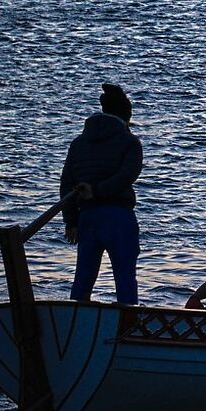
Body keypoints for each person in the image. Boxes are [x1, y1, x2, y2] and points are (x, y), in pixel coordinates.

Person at [60, 82, 144, 305]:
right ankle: (126, 327)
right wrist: (98, 191)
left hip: (87, 217)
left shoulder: (78, 143)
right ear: (127, 115)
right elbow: (127, 176)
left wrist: (71, 221)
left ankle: (76, 322)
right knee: (125, 276)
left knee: (83, 277)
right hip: (118, 215)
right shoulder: (130, 142)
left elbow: (67, 183)